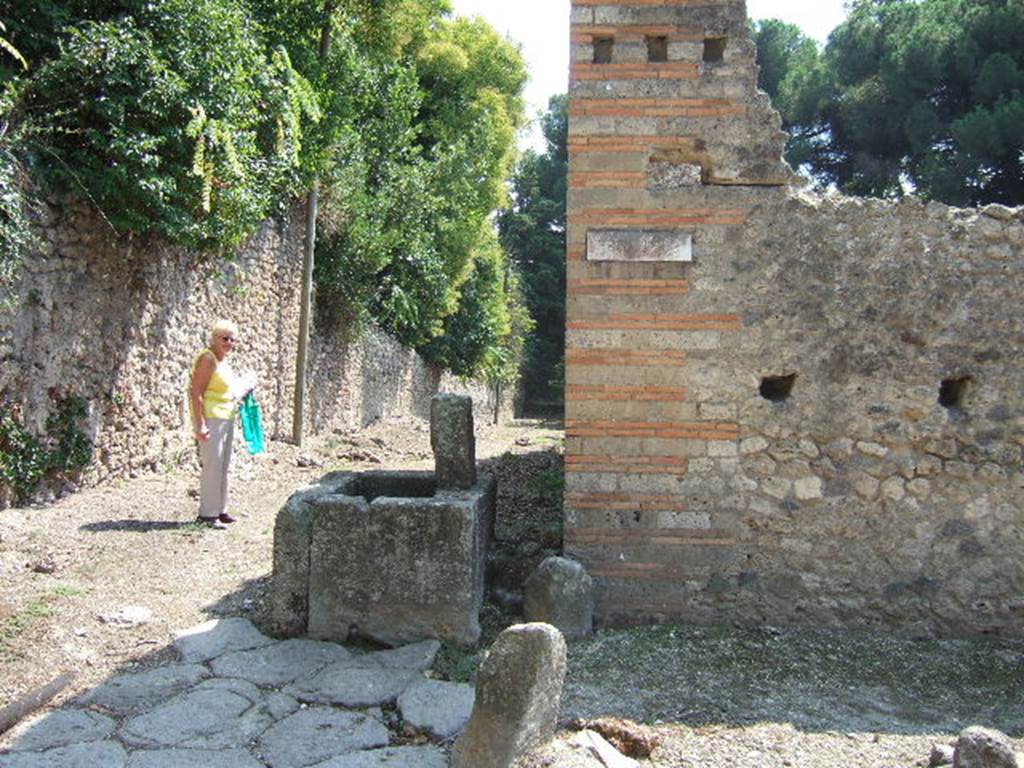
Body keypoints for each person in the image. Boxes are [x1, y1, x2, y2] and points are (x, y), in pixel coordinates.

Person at [189, 319, 253, 529]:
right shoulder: (208, 359)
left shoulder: (223, 361)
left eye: (232, 339)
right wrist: (200, 424)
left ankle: (220, 509)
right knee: (212, 466)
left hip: (226, 416)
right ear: (214, 338)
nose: (228, 343)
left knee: (223, 465)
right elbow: (196, 391)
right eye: (224, 338)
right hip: (212, 417)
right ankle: (207, 514)